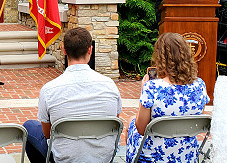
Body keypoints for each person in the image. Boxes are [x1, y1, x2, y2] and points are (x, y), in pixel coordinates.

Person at [23, 27, 122, 163]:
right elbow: (115, 124)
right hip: (103, 157)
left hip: (64, 158)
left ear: (64, 50)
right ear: (90, 50)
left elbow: (47, 134)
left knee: (29, 126)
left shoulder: (49, 90)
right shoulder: (110, 85)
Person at [126, 32, 210, 163]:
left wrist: (144, 92)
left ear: (160, 58)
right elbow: (196, 121)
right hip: (188, 156)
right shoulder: (200, 85)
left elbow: (141, 129)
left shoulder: (152, 87)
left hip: (153, 158)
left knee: (131, 121)